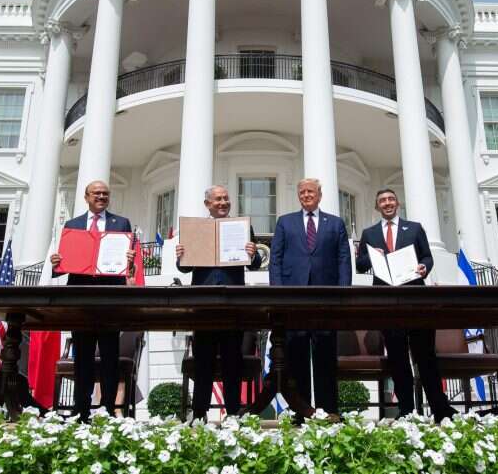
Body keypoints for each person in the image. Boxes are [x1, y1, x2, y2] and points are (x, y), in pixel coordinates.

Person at [355, 188, 457, 421]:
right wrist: (371, 256)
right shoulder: (370, 233)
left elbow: (427, 257)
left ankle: (440, 409)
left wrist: (424, 267)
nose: (387, 203)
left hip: (415, 300)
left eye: (391, 199)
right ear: (377, 206)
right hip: (387, 303)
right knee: (398, 358)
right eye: (382, 200)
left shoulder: (414, 228)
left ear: (397, 203)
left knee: (425, 356)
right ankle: (407, 411)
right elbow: (360, 265)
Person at [174, 185, 263, 420]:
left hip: (232, 304)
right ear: (208, 204)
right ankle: (199, 413)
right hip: (204, 305)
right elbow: (184, 268)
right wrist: (181, 256)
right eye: (218, 199)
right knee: (203, 360)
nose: (223, 202)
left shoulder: (242, 227)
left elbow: (254, 264)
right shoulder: (196, 229)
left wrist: (253, 253)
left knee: (233, 360)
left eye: (226, 198)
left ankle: (233, 413)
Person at [49, 179, 136, 419]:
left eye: (105, 193)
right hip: (81, 299)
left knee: (109, 355)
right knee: (83, 357)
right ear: (86, 197)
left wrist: (129, 259)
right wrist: (57, 264)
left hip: (110, 298)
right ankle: (81, 409)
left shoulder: (121, 223)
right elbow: (64, 265)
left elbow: (128, 265)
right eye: (96, 193)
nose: (101, 197)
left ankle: (108, 408)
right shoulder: (73, 225)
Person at [269, 178, 352, 417]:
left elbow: (343, 260)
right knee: (296, 357)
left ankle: (329, 412)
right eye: (302, 192)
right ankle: (301, 411)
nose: (306, 195)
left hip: (326, 299)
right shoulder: (285, 222)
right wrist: (278, 293)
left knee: (325, 355)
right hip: (293, 300)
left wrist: (343, 293)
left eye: (311, 191)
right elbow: (275, 259)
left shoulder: (335, 223)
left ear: (319, 195)